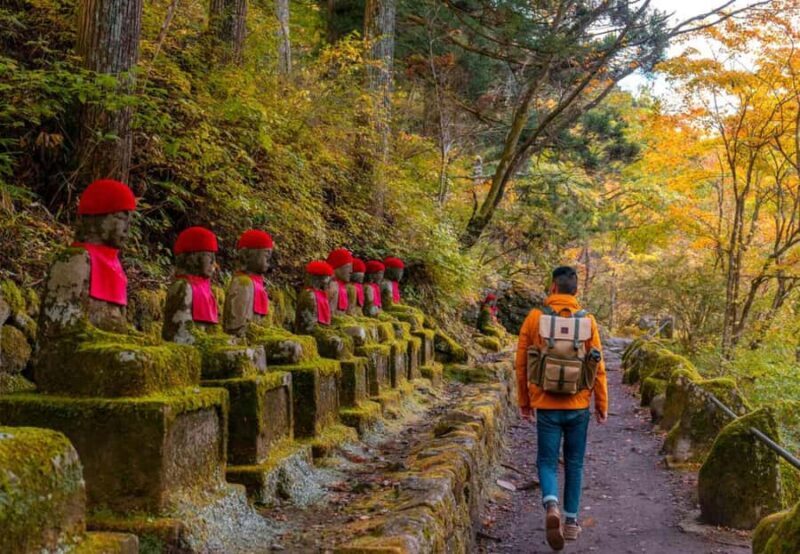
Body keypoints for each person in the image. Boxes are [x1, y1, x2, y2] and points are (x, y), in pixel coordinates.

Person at [515, 266, 608, 551]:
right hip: (578, 405)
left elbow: (521, 364)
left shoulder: (534, 318)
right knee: (575, 463)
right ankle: (570, 522)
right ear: (575, 291)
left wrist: (524, 401)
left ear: (552, 287)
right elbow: (599, 366)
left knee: (546, 461)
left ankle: (551, 503)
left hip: (546, 405)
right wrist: (601, 404)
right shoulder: (587, 321)